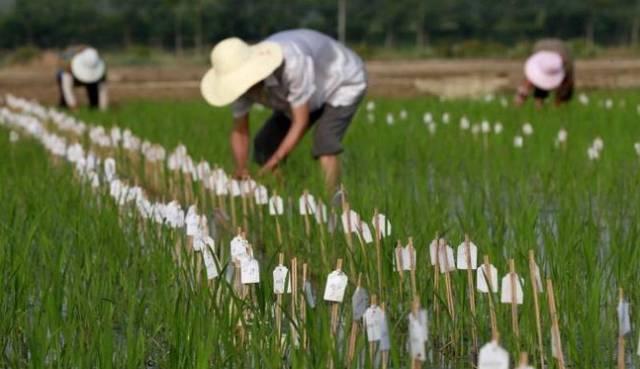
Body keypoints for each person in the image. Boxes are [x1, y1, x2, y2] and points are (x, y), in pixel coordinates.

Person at [200, 29, 367, 193]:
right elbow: (240, 129)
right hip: (303, 94)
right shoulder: (240, 88)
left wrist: (273, 162)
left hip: (342, 82)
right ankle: (282, 197)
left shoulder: (292, 63)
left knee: (324, 144)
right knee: (265, 144)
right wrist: (241, 168)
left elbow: (300, 122)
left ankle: (334, 203)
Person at [515, 39, 574, 108]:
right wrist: (520, 99)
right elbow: (528, 82)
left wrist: (558, 103)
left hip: (561, 60)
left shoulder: (565, 65)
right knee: (535, 85)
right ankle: (539, 106)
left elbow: (566, 87)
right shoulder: (537, 59)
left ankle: (557, 108)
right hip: (542, 51)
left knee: (564, 92)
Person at [57, 46, 108, 110]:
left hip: (91, 80)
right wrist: (73, 105)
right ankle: (64, 105)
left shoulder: (99, 66)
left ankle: (94, 107)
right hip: (70, 78)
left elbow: (102, 90)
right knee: (64, 96)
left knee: (93, 90)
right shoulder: (68, 67)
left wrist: (103, 108)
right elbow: (67, 88)